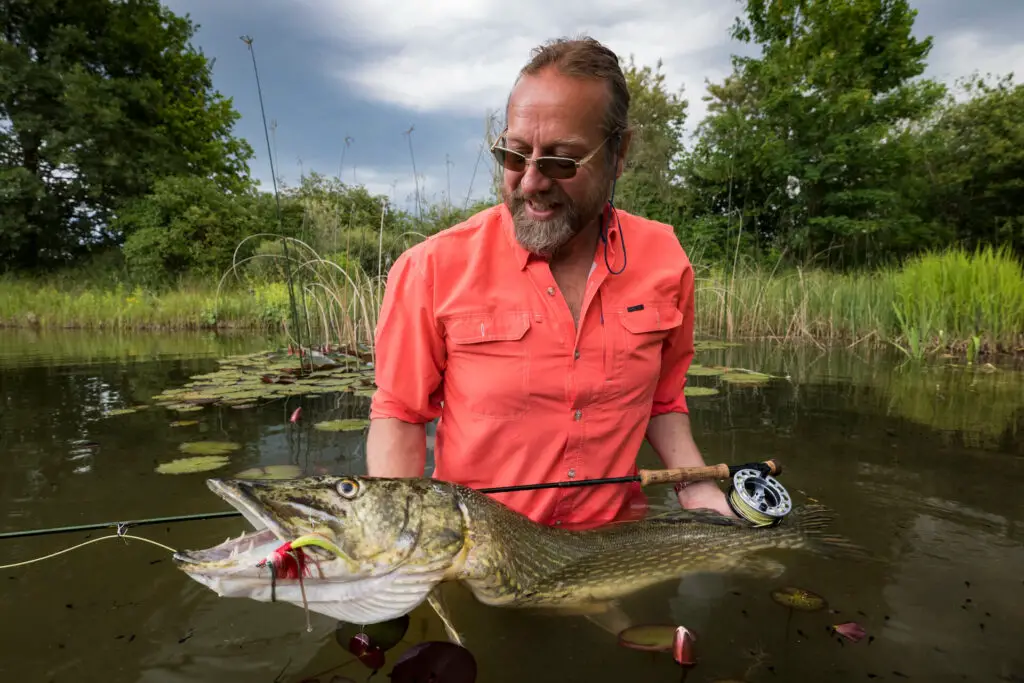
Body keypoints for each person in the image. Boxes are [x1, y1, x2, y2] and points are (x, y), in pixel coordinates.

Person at [365, 35, 733, 529]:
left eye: (561, 161)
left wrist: (698, 487)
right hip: (482, 553)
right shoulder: (429, 269)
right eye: (514, 156)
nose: (532, 182)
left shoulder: (664, 258)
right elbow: (402, 415)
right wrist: (395, 538)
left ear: (618, 154)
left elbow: (663, 401)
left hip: (616, 545)